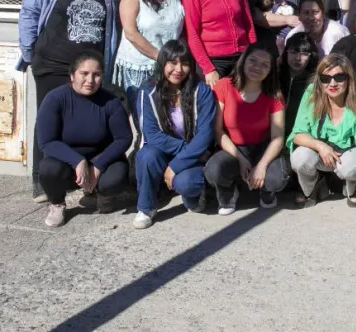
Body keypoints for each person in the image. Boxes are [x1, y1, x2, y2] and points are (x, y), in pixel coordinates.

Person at [19, 0, 120, 202]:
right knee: (47, 121)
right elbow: (29, 11)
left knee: (88, 121)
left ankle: (81, 177)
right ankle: (44, 183)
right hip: (52, 64)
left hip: (89, 70)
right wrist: (29, 51)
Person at [36, 50, 132, 227]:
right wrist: (77, 161)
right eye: (84, 74)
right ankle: (57, 203)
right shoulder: (55, 98)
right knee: (48, 169)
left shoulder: (111, 102)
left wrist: (98, 165)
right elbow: (46, 141)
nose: (90, 80)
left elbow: (124, 138)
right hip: (67, 158)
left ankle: (101, 194)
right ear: (72, 75)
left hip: (101, 156)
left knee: (116, 177)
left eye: (96, 75)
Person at [133, 40, 215, 229]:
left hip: (193, 154)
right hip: (166, 150)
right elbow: (151, 134)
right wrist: (179, 157)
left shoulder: (201, 91)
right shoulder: (148, 91)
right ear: (162, 63)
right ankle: (146, 208)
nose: (178, 69)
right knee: (146, 156)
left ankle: (194, 195)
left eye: (184, 63)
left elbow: (205, 135)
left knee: (186, 183)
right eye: (173, 62)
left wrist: (177, 165)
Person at [288, 54, 356, 225]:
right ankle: (312, 189)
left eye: (339, 77)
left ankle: (352, 190)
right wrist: (320, 145)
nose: (333, 84)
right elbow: (297, 134)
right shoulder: (310, 95)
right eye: (326, 78)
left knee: (351, 166)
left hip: (346, 157)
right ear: (319, 81)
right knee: (299, 157)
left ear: (348, 78)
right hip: (320, 154)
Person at [204, 44, 290, 213]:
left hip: (263, 148)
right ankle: (228, 191)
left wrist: (262, 165)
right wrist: (241, 159)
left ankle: (266, 191)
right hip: (233, 147)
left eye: (265, 65)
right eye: (253, 61)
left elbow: (278, 137)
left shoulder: (274, 95)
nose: (258, 67)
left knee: (276, 179)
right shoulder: (224, 86)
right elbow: (218, 131)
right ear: (243, 61)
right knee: (214, 170)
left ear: (271, 70)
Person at [114, 0, 185, 101]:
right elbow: (130, 33)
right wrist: (160, 57)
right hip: (139, 68)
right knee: (143, 117)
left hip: (170, 68)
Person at [279, 32, 318, 138]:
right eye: (293, 52)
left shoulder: (315, 80)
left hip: (301, 134)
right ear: (286, 52)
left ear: (311, 56)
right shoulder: (276, 74)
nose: (298, 58)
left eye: (304, 53)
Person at [285, 0, 350, 57]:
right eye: (306, 12)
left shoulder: (340, 33)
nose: (311, 18)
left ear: (323, 14)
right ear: (299, 16)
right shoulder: (293, 37)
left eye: (315, 12)